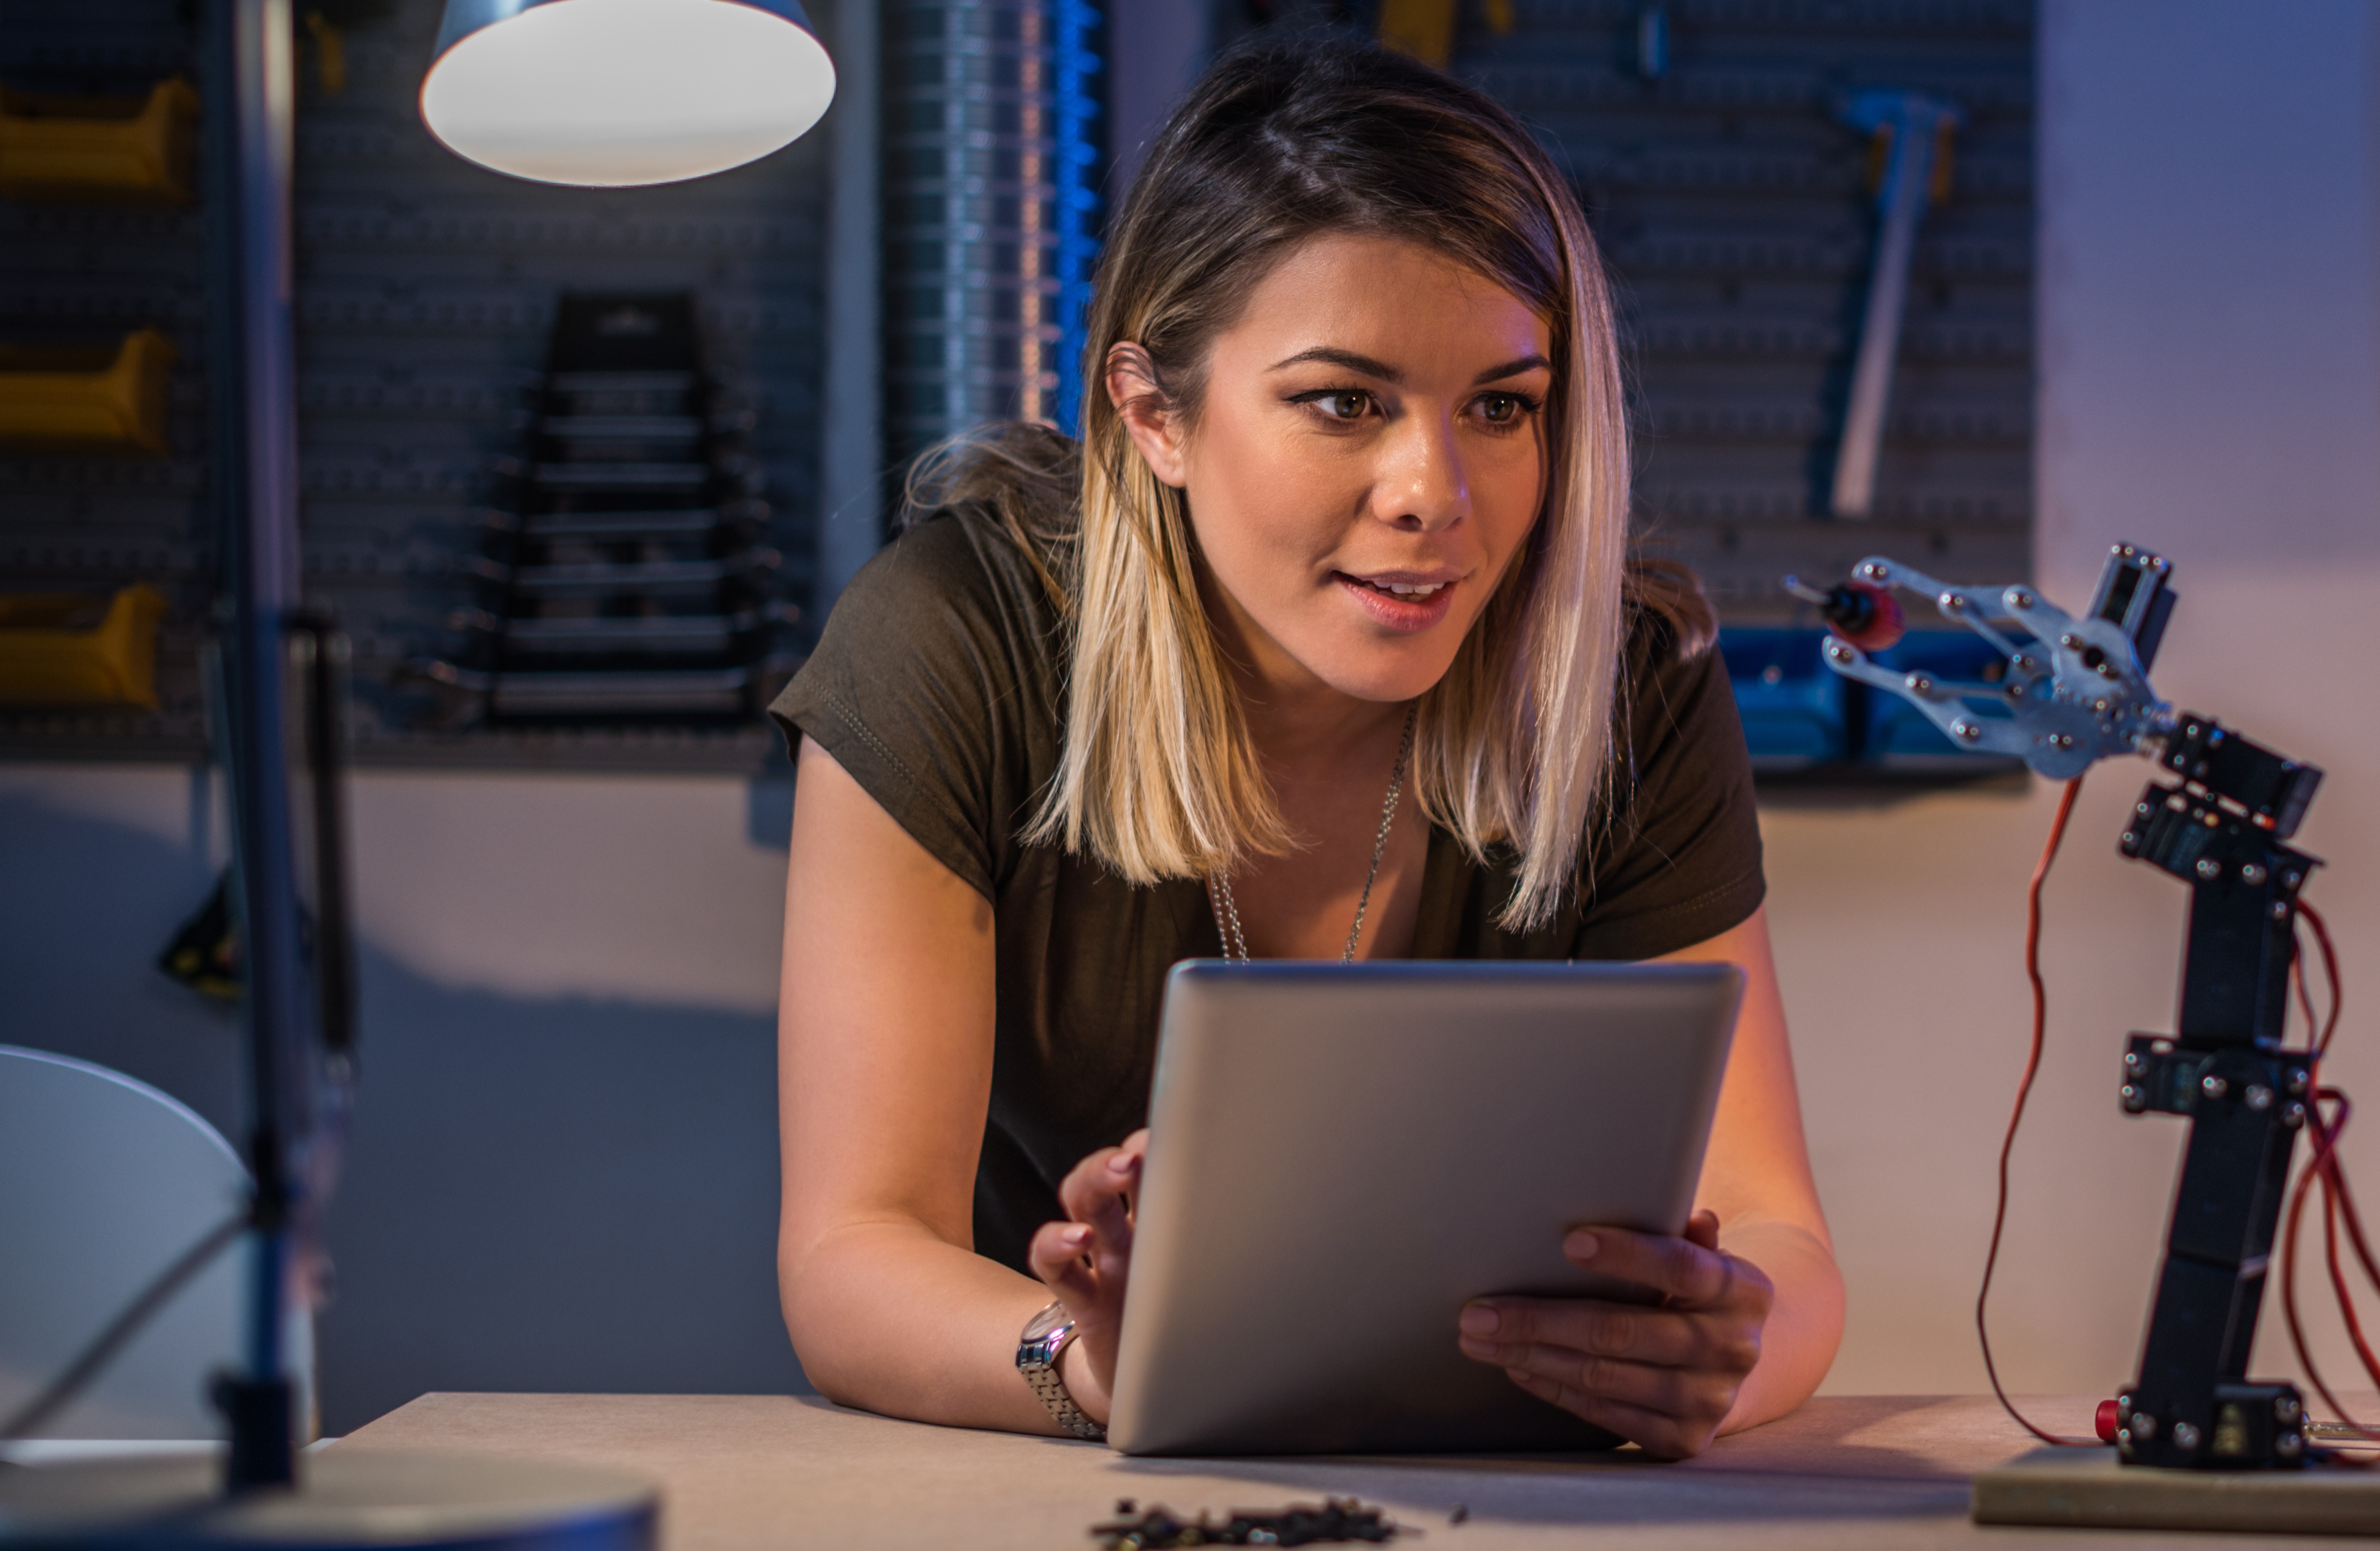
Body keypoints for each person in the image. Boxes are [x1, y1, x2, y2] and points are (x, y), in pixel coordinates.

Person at [765, 35, 1842, 1461]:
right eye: (1345, 401)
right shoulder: (954, 638)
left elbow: (1784, 1244)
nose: (1434, 494)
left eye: (1501, 408)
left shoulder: (1622, 676)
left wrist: (1726, 1351)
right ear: (1155, 414)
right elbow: (851, 1255)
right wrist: (1089, 1366)